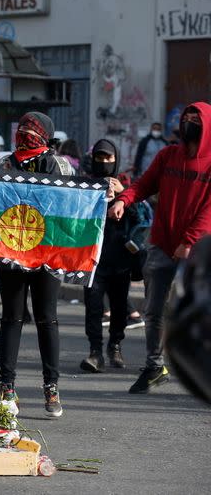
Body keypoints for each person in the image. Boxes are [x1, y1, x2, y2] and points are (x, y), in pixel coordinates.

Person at [109, 102, 211, 394]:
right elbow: (144, 184)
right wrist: (123, 200)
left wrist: (189, 241)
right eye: (186, 117)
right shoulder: (168, 156)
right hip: (162, 245)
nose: (189, 122)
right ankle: (154, 366)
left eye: (196, 118)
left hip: (198, 252)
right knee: (153, 310)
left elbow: (208, 210)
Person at [0, 112, 74, 418]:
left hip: (48, 254)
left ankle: (51, 388)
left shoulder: (61, 165)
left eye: (34, 130)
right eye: (23, 128)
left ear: (47, 136)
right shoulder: (3, 165)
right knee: (11, 318)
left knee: (47, 318)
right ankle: (6, 387)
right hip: (11, 252)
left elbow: (74, 203)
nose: (26, 134)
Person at [81, 139, 140, 373]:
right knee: (93, 307)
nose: (104, 163)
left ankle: (115, 345)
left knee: (118, 307)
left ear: (116, 160)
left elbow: (138, 218)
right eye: (100, 158)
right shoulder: (85, 185)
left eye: (109, 159)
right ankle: (95, 352)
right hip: (92, 259)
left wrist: (122, 195)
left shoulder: (125, 186)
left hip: (120, 260)